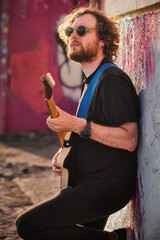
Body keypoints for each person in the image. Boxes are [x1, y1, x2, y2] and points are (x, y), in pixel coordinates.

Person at [16, 7, 140, 240]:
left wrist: (76, 124)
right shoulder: (91, 80)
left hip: (105, 186)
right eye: (71, 30)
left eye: (82, 30)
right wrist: (66, 154)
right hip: (90, 181)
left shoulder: (111, 80)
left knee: (27, 225)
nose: (74, 35)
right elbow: (92, 128)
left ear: (103, 39)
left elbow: (130, 139)